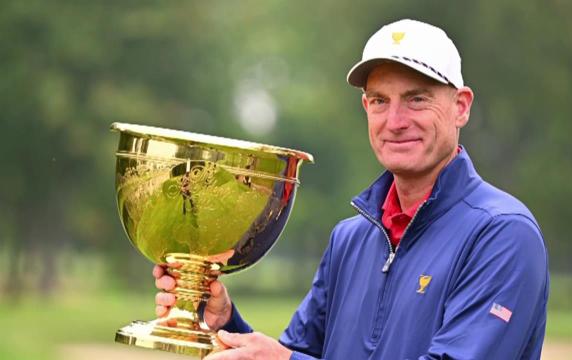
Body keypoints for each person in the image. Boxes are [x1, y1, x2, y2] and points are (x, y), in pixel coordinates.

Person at [154, 19, 549, 360]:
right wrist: (225, 324)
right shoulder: (350, 238)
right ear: (365, 108)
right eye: (380, 100)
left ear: (461, 106)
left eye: (416, 99)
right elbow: (300, 353)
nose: (395, 120)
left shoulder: (503, 234)